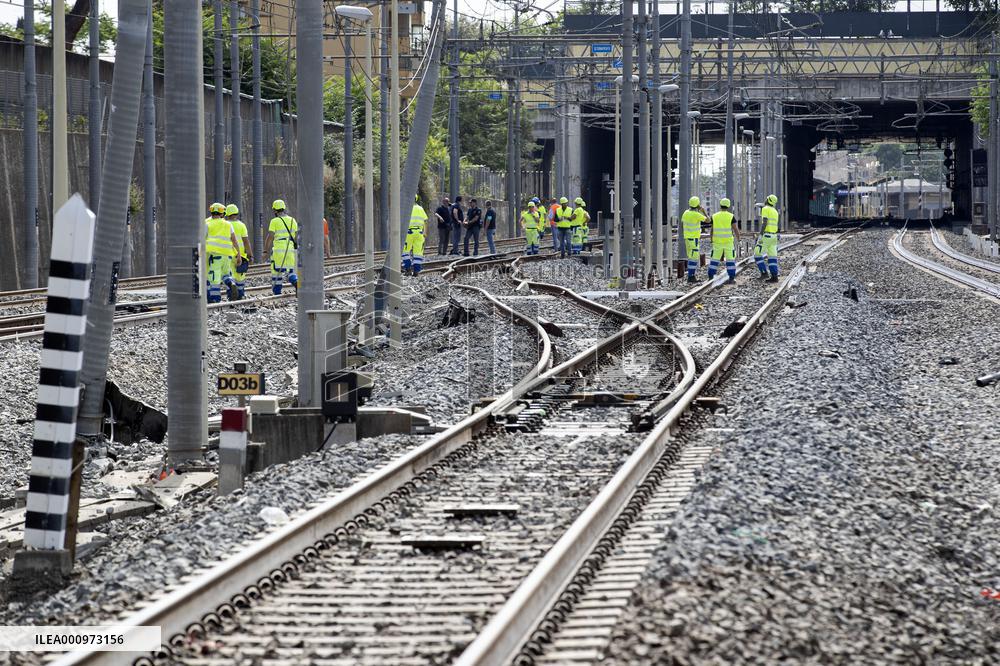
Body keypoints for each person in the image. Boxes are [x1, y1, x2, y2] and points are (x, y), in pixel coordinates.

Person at [204, 202, 240, 303]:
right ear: (222, 213)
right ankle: (231, 283)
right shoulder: (228, 224)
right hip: (228, 254)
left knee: (214, 277)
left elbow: (201, 240)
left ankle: (215, 299)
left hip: (214, 255)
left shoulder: (207, 224)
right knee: (226, 274)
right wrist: (239, 255)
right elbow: (234, 240)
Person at [264, 199, 299, 295]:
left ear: (275, 210)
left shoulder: (274, 221)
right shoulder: (292, 220)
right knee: (290, 271)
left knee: (277, 271)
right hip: (290, 249)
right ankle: (296, 282)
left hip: (279, 250)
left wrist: (265, 251)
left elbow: (270, 236)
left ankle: (277, 293)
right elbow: (296, 238)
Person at [707, 198, 740, 284]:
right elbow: (735, 229)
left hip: (717, 242)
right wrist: (739, 239)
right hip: (728, 242)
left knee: (714, 259)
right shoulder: (731, 216)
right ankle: (731, 278)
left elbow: (712, 229)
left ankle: (710, 276)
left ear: (720, 205)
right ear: (728, 206)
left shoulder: (714, 216)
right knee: (730, 260)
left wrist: (711, 239)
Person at [226, 204, 252, 299]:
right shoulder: (241, 225)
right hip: (240, 255)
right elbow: (246, 241)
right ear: (236, 213)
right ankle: (240, 296)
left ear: (227, 214)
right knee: (240, 277)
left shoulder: (225, 224)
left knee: (229, 275)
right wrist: (250, 254)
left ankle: (231, 296)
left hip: (228, 253)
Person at [681, 196, 708, 283]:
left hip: (687, 238)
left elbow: (682, 223)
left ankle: (691, 276)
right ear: (698, 205)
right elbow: (708, 220)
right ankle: (691, 277)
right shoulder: (696, 214)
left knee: (691, 257)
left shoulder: (685, 213)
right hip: (694, 239)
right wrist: (703, 211)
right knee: (694, 258)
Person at [755, 194, 781, 282]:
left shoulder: (765, 209)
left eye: (766, 199)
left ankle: (764, 273)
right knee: (772, 257)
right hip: (774, 236)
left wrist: (760, 235)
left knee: (757, 253)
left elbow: (764, 222)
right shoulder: (775, 211)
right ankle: (774, 277)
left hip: (766, 236)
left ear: (768, 200)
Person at [403, 194, 428, 275]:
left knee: (405, 251)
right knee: (418, 252)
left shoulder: (406, 208)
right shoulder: (421, 208)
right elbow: (425, 221)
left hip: (409, 233)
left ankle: (408, 268)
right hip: (420, 233)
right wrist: (425, 232)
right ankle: (416, 271)